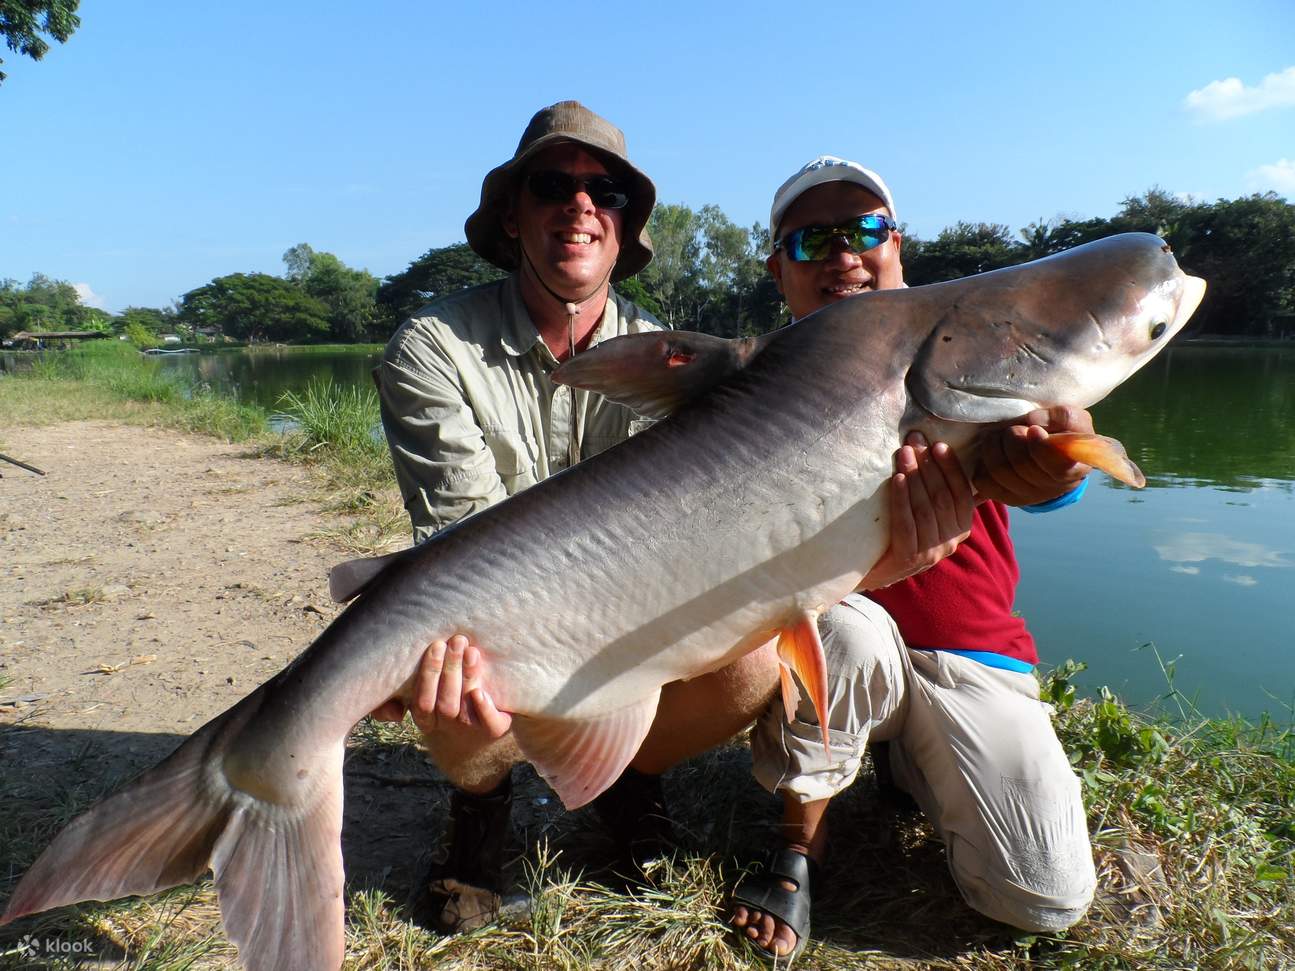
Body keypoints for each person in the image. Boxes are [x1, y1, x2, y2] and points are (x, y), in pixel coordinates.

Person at [370, 106, 972, 936]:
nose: (581, 206)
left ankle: (627, 779)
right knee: (450, 657)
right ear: (512, 217)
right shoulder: (431, 347)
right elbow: (459, 535)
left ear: (624, 226)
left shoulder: (669, 356)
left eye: (605, 191)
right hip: (501, 617)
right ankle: (480, 817)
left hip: (624, 619)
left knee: (757, 648)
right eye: (554, 185)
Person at [728, 156, 1099, 960]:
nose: (841, 254)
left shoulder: (984, 345)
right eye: (810, 239)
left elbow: (1060, 456)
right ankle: (799, 844)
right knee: (844, 627)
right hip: (838, 637)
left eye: (863, 230)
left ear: (897, 243)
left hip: (972, 651)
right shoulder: (750, 383)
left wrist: (1059, 468)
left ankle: (905, 765)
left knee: (1043, 895)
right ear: (776, 268)